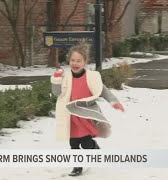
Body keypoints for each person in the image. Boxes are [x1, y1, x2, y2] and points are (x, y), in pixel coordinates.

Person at [50, 44, 124, 176]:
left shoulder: (91, 77)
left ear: (85, 62)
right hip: (71, 117)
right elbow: (57, 93)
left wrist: (114, 101)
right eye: (73, 60)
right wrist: (56, 79)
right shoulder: (66, 77)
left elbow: (103, 90)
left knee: (86, 143)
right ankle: (77, 167)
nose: (75, 63)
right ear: (69, 61)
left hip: (85, 116)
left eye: (79, 61)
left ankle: (93, 147)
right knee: (73, 144)